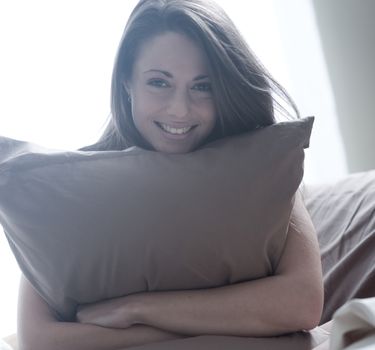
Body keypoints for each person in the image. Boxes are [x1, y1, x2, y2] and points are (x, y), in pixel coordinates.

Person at [17, 1, 324, 349]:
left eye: (202, 86)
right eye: (159, 82)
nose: (180, 109)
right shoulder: (74, 185)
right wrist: (231, 321)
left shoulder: (259, 170)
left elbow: (302, 303)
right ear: (127, 83)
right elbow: (37, 338)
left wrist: (136, 309)